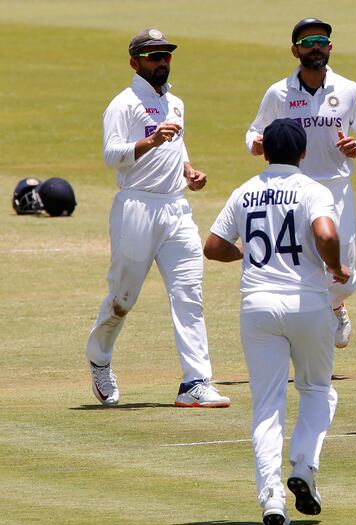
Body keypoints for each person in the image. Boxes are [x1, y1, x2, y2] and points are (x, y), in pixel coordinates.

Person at [205, 119, 348, 525]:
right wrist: (335, 266)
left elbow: (213, 247)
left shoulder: (244, 191)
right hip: (307, 304)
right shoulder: (312, 190)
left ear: (264, 152)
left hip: (258, 306)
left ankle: (271, 500)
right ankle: (303, 467)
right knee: (318, 389)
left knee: (267, 407)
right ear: (303, 153)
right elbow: (325, 232)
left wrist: (248, 256)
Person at [85, 29, 230, 408]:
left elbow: (177, 148)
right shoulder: (124, 103)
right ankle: (99, 357)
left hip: (176, 208)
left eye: (165, 55)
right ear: (135, 63)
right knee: (123, 296)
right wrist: (150, 141)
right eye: (152, 56)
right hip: (136, 207)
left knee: (189, 294)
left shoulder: (175, 102)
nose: (161, 61)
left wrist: (189, 171)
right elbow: (110, 155)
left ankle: (195, 383)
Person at [245, 17, 356, 349]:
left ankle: (337, 306)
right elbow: (253, 130)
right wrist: (256, 144)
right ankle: (306, 331)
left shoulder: (349, 89)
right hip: (294, 189)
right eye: (307, 42)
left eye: (321, 41)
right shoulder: (278, 92)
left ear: (330, 48)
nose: (315, 47)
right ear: (295, 51)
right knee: (300, 264)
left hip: (336, 188)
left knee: (344, 277)